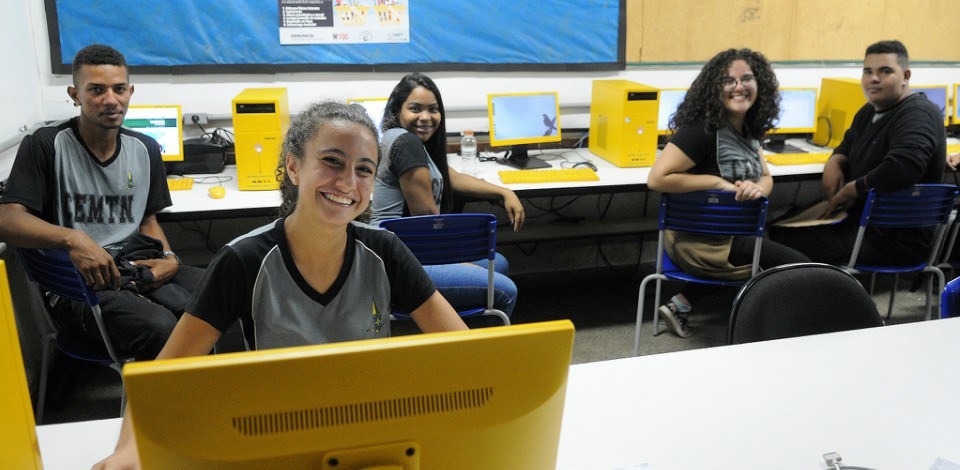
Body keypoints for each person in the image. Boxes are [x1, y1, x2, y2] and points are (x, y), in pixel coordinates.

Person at [93, 100, 469, 469]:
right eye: (332, 161)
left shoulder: (385, 251)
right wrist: (129, 449)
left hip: (368, 440)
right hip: (281, 442)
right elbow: (162, 378)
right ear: (293, 166)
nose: (348, 182)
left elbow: (467, 351)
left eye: (364, 169)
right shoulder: (244, 260)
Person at [0, 44, 203, 360]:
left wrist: (169, 257)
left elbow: (147, 221)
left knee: (218, 294)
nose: (110, 100)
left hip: (131, 266)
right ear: (75, 94)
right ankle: (161, 407)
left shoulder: (146, 149)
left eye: (118, 89)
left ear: (130, 91)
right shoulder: (45, 145)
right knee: (160, 327)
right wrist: (74, 239)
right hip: (74, 285)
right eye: (96, 90)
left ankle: (214, 395)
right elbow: (7, 219)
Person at [647, 48, 811, 338]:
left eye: (747, 79)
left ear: (759, 85)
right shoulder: (702, 132)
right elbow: (657, 179)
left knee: (785, 254)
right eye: (728, 81)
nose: (739, 87)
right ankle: (799, 329)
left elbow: (765, 177)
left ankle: (681, 304)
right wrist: (714, 182)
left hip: (734, 236)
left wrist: (756, 188)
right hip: (702, 241)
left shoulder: (749, 129)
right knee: (805, 268)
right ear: (714, 88)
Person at [771, 40, 946, 265]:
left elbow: (903, 169)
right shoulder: (869, 111)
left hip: (892, 239)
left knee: (782, 241)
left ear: (906, 76)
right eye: (867, 71)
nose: (874, 78)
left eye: (885, 71)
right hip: (863, 224)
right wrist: (835, 160)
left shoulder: (917, 114)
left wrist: (853, 189)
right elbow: (847, 144)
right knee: (781, 222)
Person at [369, 72, 523, 318]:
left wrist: (503, 191)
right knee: (505, 291)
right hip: (399, 265)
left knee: (499, 263)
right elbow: (428, 222)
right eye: (415, 109)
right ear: (398, 111)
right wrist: (457, 263)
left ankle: (453, 334)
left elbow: (450, 177)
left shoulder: (401, 139)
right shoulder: (406, 143)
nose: (426, 117)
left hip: (404, 254)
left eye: (433, 109)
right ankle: (475, 351)